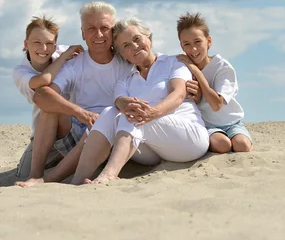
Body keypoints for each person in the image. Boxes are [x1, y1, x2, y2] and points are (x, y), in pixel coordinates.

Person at [71, 17, 209, 185]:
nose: (134, 46)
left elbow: (179, 94)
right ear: (122, 55)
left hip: (188, 139)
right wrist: (122, 103)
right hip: (152, 150)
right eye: (126, 46)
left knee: (133, 115)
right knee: (110, 112)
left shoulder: (174, 62)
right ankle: (76, 181)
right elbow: (119, 99)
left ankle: (109, 174)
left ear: (149, 38)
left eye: (137, 39)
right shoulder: (126, 80)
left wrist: (153, 112)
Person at [15, 1, 134, 187]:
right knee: (50, 106)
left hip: (117, 135)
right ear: (83, 33)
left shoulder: (128, 61)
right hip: (78, 132)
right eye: (91, 29)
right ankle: (36, 175)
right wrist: (82, 114)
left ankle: (54, 175)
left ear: (114, 31)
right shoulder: (74, 63)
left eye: (105, 28)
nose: (99, 34)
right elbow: (41, 96)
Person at [12, 16, 83, 179]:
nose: (44, 48)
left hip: (69, 125)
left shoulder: (61, 51)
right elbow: (43, 81)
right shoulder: (21, 72)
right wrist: (64, 57)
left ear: (55, 45)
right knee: (21, 175)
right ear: (25, 44)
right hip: (44, 132)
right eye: (37, 42)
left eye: (49, 43)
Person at [176, 12, 253, 153]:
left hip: (232, 123)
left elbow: (216, 104)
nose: (193, 49)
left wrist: (197, 72)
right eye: (187, 44)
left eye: (198, 42)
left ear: (208, 41)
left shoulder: (222, 67)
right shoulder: (181, 68)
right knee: (223, 145)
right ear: (181, 46)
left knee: (242, 145)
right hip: (207, 125)